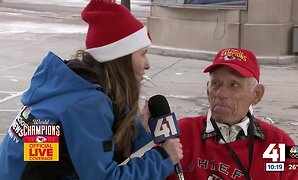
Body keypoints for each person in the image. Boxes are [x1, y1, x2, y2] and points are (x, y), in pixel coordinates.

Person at [0, 1, 183, 179]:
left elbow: (84, 153)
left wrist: (138, 129)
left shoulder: (74, 85)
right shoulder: (87, 104)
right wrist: (163, 159)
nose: (148, 64)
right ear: (121, 58)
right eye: (143, 53)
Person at [167, 48, 298, 180]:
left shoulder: (281, 144)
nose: (221, 94)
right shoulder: (181, 133)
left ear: (257, 94)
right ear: (207, 90)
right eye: (215, 83)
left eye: (234, 85)